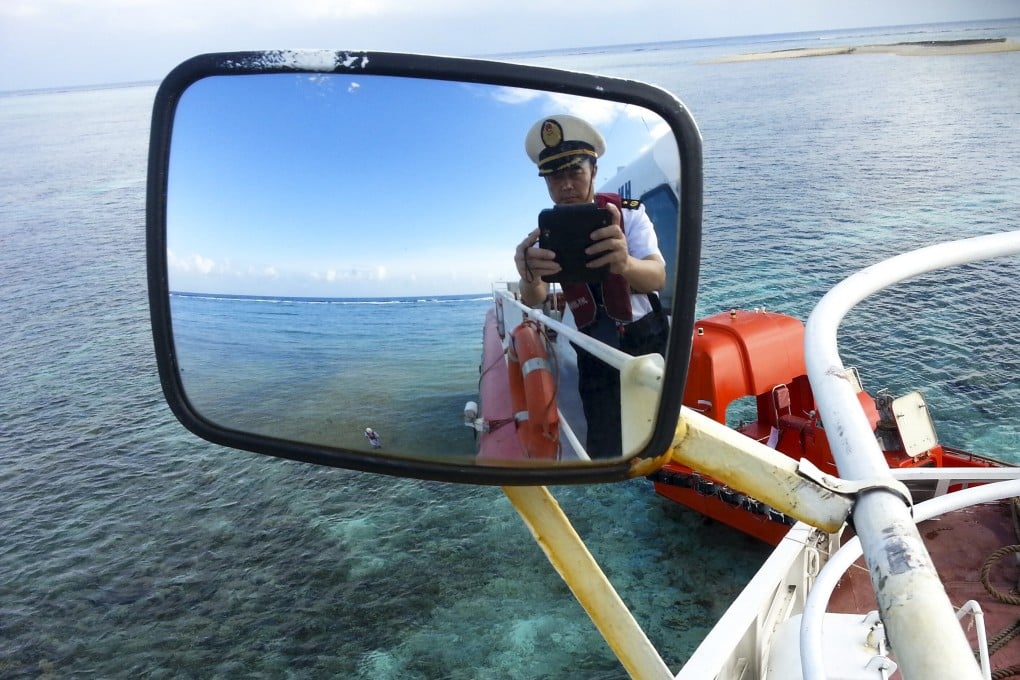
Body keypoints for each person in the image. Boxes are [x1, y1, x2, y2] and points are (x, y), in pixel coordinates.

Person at [515, 114, 669, 459]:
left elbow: (658, 276)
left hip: (644, 336)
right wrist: (529, 277)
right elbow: (536, 299)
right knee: (603, 435)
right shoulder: (547, 233)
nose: (566, 185)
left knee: (655, 426)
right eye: (555, 177)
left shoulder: (628, 215)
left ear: (594, 171)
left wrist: (625, 263)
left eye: (575, 172)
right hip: (591, 343)